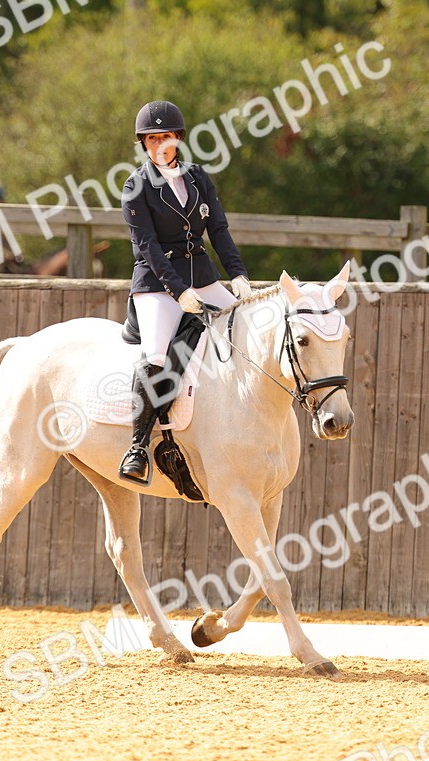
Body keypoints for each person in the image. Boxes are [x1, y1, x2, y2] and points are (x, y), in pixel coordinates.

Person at [117, 100, 253, 485]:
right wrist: (178, 293)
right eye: (153, 138)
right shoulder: (136, 186)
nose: (161, 144)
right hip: (157, 284)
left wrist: (238, 274)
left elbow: (219, 231)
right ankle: (138, 446)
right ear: (144, 143)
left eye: (167, 137)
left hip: (202, 273)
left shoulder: (197, 178)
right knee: (158, 354)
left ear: (179, 138)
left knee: (246, 329)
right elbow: (147, 246)